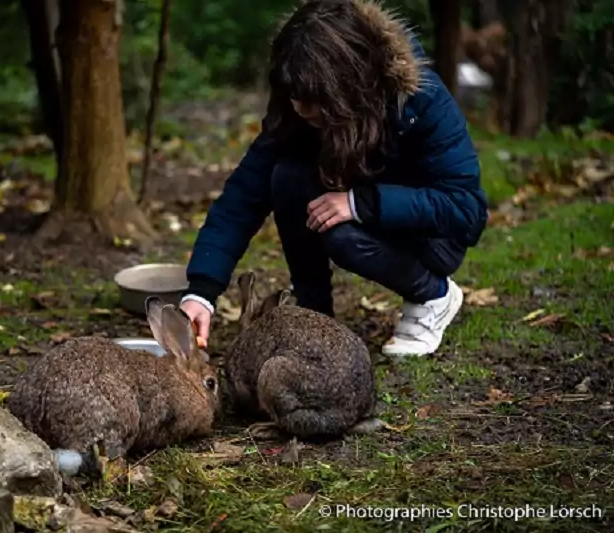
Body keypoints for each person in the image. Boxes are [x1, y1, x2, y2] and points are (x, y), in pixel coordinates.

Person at [179, 0, 488, 357]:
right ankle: (316, 317)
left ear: (349, 87)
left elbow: (467, 211)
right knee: (287, 178)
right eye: (293, 96)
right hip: (356, 206)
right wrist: (201, 291)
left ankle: (433, 295)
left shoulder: (421, 101)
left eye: (312, 99)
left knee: (343, 236)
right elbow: (245, 193)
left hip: (430, 236)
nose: (298, 108)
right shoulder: (299, 103)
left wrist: (362, 203)